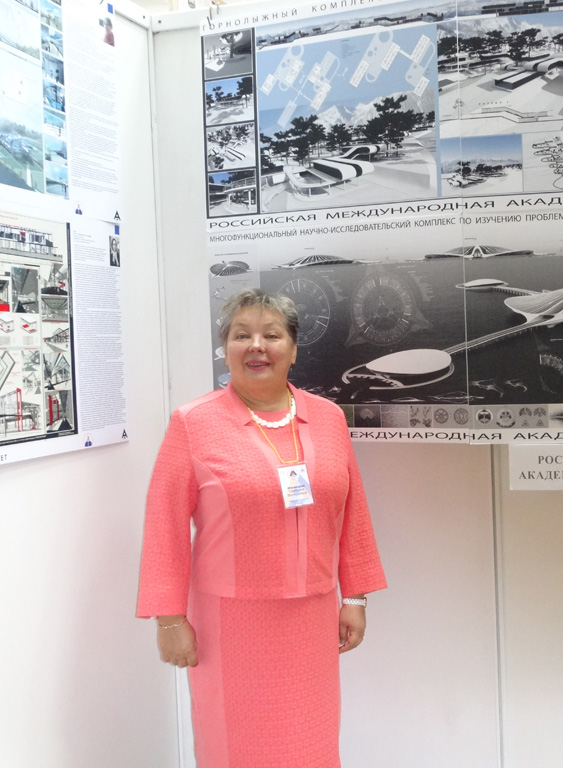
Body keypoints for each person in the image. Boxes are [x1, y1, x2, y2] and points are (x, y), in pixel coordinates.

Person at [137, 288, 386, 768]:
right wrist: (169, 619)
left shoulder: (328, 418)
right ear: (225, 349)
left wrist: (354, 597)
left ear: (293, 349)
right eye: (241, 335)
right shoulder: (194, 422)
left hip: (311, 619)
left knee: (309, 745)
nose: (256, 346)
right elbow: (164, 521)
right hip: (228, 624)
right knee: (236, 746)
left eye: (271, 335)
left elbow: (352, 510)